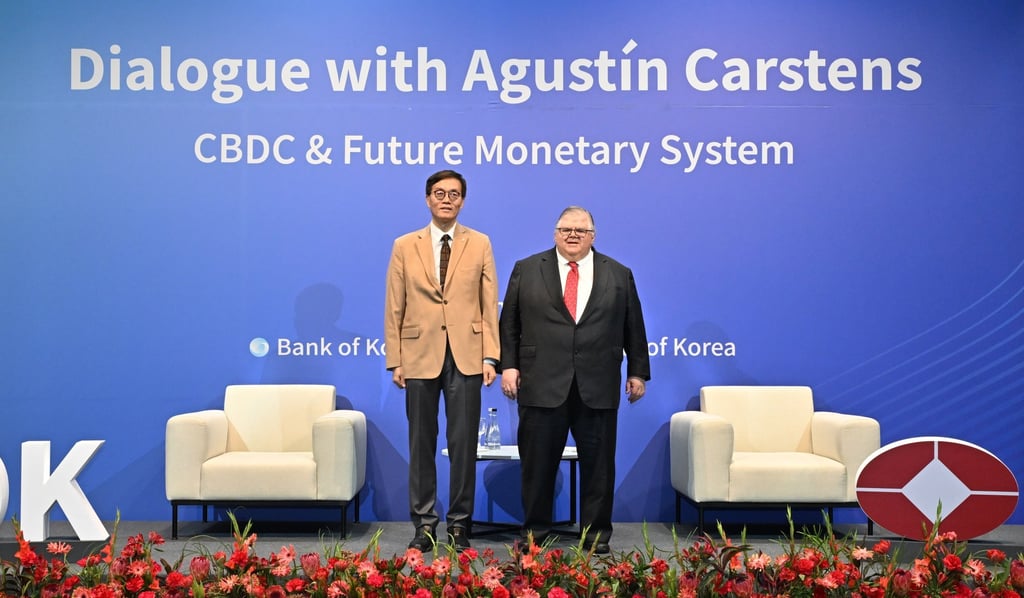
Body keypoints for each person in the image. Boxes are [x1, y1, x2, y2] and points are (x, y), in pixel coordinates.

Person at [498, 206, 650, 555]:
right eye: (566, 229)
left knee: (599, 468)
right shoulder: (526, 268)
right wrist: (509, 366)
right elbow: (509, 323)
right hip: (540, 382)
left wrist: (637, 371)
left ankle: (596, 536)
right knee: (537, 467)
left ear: (592, 236)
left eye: (581, 231)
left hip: (597, 383)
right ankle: (535, 533)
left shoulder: (619, 273)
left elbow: (634, 325)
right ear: (555, 233)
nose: (573, 235)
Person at [384, 169, 500, 552]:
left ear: (462, 201)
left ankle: (460, 524)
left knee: (463, 444)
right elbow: (394, 305)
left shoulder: (480, 243)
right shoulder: (405, 245)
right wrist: (395, 359)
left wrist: (491, 355)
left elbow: (488, 304)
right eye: (439, 193)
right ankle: (424, 524)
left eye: (453, 193)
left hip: (468, 356)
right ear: (428, 199)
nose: (446, 199)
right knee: (421, 443)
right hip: (418, 355)